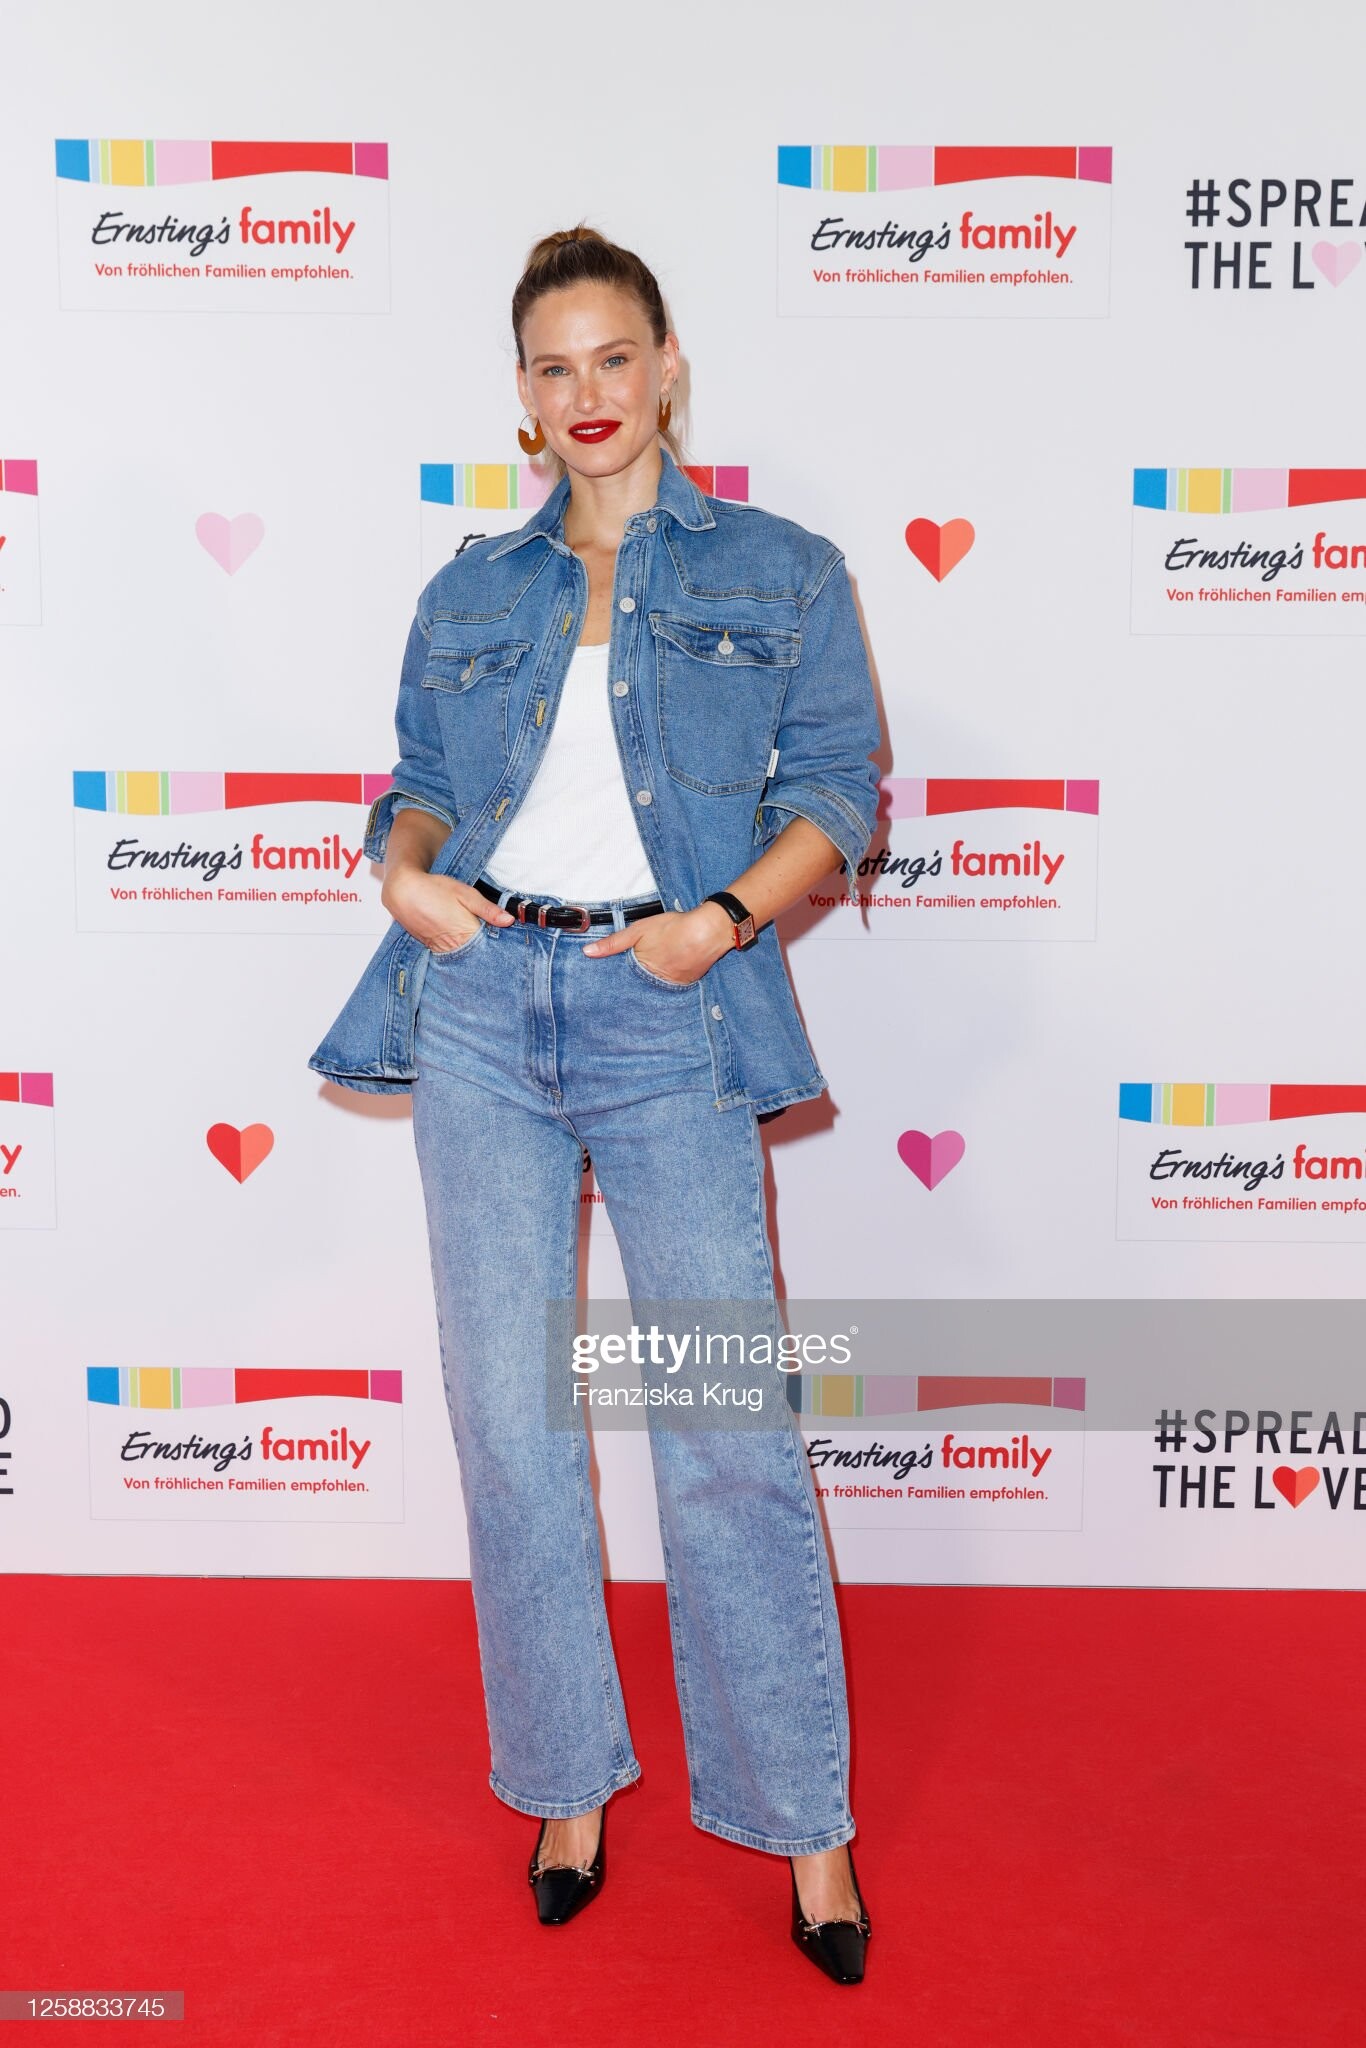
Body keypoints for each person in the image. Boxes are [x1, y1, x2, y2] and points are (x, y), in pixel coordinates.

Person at [309, 226, 883, 1985]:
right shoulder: (470, 590)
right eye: (553, 368)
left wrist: (716, 924)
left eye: (613, 358)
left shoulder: (783, 569)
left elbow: (836, 791)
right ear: (521, 393)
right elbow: (416, 787)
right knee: (511, 1424)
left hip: (667, 1008)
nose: (587, 395)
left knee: (721, 1428)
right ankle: (565, 1786)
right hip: (483, 1004)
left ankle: (803, 1823)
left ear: (667, 365)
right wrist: (402, 872)